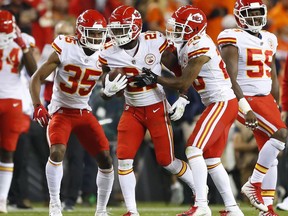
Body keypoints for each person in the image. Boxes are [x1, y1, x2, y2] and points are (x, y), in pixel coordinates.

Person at [134, 5, 244, 216]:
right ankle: (233, 208)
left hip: (222, 102)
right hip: (216, 103)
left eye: (181, 27)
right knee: (211, 159)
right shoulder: (187, 44)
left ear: (193, 28)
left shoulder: (200, 44)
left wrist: (154, 78)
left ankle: (201, 204)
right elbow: (179, 73)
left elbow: (183, 80)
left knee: (193, 149)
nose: (176, 30)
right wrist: (183, 97)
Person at [99, 5, 196, 216]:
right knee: (123, 158)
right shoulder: (107, 51)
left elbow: (180, 71)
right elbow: (106, 92)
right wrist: (106, 91)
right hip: (131, 108)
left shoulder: (154, 40)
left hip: (156, 107)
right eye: (115, 29)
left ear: (135, 28)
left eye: (122, 28)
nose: (117, 34)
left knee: (167, 162)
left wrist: (184, 97)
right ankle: (131, 211)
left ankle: (200, 191)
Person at [29, 9, 119, 216]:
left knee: (105, 158)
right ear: (80, 32)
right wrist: (37, 106)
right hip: (61, 111)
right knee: (57, 152)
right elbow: (37, 77)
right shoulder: (65, 46)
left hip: (83, 111)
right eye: (92, 33)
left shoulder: (105, 52)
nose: (97, 38)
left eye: (99, 33)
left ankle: (101, 210)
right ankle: (55, 205)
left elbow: (106, 84)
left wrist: (108, 89)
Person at [217, 0, 288, 214]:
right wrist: (244, 106)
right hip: (244, 96)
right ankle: (253, 183)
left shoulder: (269, 38)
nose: (256, 17)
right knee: (281, 135)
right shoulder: (233, 36)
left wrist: (275, 101)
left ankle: (266, 208)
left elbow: (272, 74)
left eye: (259, 13)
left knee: (272, 155)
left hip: (265, 97)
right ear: (239, 15)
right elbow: (229, 76)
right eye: (251, 13)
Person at [0, 10, 37, 213]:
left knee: (8, 151)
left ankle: (2, 200)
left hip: (13, 101)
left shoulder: (24, 40)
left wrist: (24, 48)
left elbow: (34, 72)